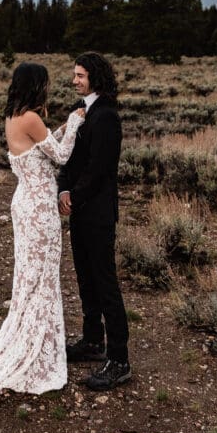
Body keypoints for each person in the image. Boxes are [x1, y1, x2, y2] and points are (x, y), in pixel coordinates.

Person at [0, 62, 85, 393]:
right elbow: (61, 156)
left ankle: (32, 339)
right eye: (45, 84)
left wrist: (58, 130)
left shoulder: (15, 117)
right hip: (39, 208)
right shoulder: (31, 118)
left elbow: (41, 149)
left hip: (24, 203)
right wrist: (72, 123)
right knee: (42, 276)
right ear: (35, 86)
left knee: (31, 276)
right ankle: (36, 350)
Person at [58, 51, 130, 390]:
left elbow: (101, 167)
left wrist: (75, 194)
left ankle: (119, 359)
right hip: (81, 210)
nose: (75, 80)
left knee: (105, 282)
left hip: (97, 212)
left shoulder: (106, 117)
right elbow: (71, 158)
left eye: (81, 75)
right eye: (75, 75)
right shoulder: (83, 113)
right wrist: (62, 189)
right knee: (86, 278)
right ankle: (92, 341)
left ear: (95, 78)